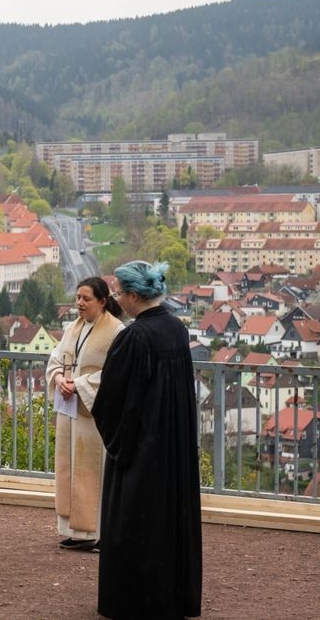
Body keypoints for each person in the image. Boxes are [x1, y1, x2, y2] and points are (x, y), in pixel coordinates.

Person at [91, 261, 202, 619]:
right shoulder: (176, 329)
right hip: (173, 446)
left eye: (120, 293)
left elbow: (112, 398)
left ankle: (134, 600)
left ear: (134, 295)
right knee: (170, 520)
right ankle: (172, 596)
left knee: (133, 521)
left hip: (141, 448)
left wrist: (119, 442)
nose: (118, 299)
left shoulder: (136, 336)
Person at [44, 276, 123, 552]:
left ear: (102, 301)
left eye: (86, 298)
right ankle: (76, 531)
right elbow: (56, 359)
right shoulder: (72, 328)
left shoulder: (116, 331)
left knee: (93, 472)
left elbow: (115, 374)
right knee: (70, 469)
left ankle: (99, 533)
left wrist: (78, 385)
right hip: (70, 411)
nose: (79, 303)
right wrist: (57, 380)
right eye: (78, 297)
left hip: (94, 415)